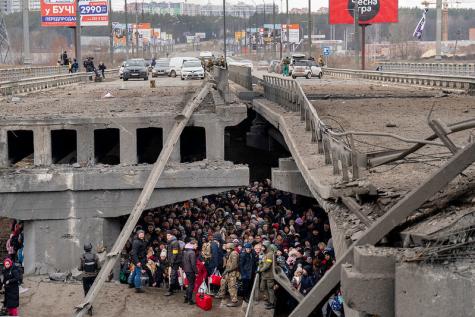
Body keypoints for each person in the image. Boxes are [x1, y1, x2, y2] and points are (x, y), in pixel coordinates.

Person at [78, 243, 101, 316]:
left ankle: (89, 308)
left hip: (86, 277)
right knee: (92, 292)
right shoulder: (95, 256)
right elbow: (99, 267)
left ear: (84, 249)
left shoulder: (82, 257)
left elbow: (80, 268)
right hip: (94, 276)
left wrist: (81, 268)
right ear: (91, 248)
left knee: (86, 292)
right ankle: (90, 305)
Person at [215, 243, 240, 307]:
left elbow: (234, 265)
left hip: (232, 273)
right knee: (223, 282)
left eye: (229, 249)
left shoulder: (234, 253)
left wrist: (226, 271)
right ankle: (221, 294)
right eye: (227, 249)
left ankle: (234, 301)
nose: (227, 250)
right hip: (228, 272)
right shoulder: (230, 253)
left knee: (232, 287)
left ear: (232, 248)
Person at [259, 242, 276, 310]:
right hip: (264, 275)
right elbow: (263, 262)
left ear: (267, 247)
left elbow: (267, 265)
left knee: (270, 289)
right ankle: (269, 300)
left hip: (269, 275)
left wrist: (260, 270)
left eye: (264, 247)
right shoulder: (265, 254)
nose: (262, 248)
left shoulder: (270, 254)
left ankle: (272, 303)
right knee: (262, 287)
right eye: (262, 247)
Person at [165, 231, 182, 296]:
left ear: (172, 235)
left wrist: (172, 261)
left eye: (169, 235)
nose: (168, 237)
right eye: (167, 235)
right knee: (174, 275)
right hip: (173, 260)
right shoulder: (170, 242)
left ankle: (170, 290)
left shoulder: (174, 242)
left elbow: (175, 253)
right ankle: (175, 287)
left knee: (173, 275)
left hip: (175, 261)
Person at [182, 240, 198, 305]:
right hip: (191, 271)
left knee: (189, 284)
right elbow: (193, 264)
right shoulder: (192, 253)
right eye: (196, 245)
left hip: (186, 270)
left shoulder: (185, 251)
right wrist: (196, 272)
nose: (197, 246)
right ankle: (190, 300)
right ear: (193, 245)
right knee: (191, 285)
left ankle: (186, 297)